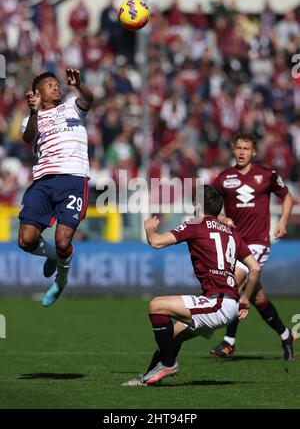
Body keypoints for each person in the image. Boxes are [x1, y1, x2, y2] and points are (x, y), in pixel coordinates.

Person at [122, 185, 260, 386]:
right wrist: (245, 299)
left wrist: (149, 227)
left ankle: (168, 364)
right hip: (225, 302)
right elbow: (254, 268)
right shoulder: (231, 233)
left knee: (156, 305)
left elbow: (156, 242)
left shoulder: (196, 224)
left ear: (198, 205)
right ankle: (149, 378)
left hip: (218, 303)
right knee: (172, 337)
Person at [211, 132, 295, 360]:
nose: (241, 152)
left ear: (254, 152)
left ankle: (228, 341)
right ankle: (286, 334)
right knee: (257, 298)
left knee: (234, 281)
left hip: (258, 243)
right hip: (234, 243)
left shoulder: (266, 175)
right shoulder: (224, 177)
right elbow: (203, 198)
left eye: (246, 149)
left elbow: (287, 197)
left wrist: (283, 221)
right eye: (238, 148)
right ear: (232, 149)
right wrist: (220, 218)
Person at [18, 69, 94, 307]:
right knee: (26, 241)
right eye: (49, 85)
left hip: (72, 178)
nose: (56, 86)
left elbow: (88, 100)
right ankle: (55, 255)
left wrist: (79, 85)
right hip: (43, 181)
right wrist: (33, 112)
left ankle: (60, 281)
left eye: (56, 83)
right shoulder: (30, 119)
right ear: (37, 94)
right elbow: (29, 138)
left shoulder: (72, 106)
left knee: (63, 241)